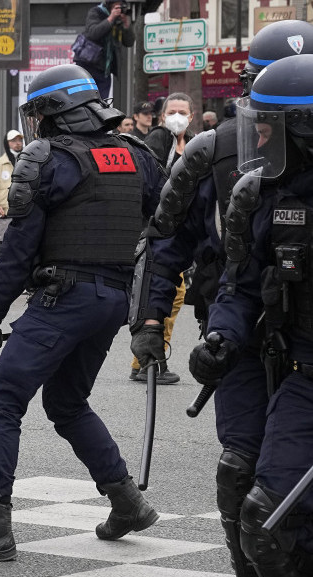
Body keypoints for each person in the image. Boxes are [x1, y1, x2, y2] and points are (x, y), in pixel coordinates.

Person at [0, 64, 163, 562]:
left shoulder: (48, 157)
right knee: (67, 402)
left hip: (64, 297)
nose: (36, 123)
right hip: (113, 298)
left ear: (55, 111)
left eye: (38, 112)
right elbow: (158, 234)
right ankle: (127, 501)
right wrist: (147, 313)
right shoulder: (137, 155)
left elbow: (17, 252)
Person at [129, 20, 313, 577]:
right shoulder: (222, 158)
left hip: (301, 348)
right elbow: (168, 242)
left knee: (281, 498)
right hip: (245, 336)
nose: (261, 135)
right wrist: (152, 322)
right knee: (242, 474)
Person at [189, 54, 313, 576]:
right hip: (303, 375)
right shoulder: (263, 196)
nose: (258, 140)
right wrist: (221, 336)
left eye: (268, 129)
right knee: (265, 518)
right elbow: (239, 285)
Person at [130, 92, 198, 384]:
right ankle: (146, 362)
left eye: (183, 111)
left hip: (180, 229)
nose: (177, 116)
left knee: (173, 295)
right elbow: (149, 180)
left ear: (192, 116)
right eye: (172, 111)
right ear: (162, 116)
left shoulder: (193, 142)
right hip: (159, 228)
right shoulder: (159, 138)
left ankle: (149, 360)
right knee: (163, 293)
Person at [79, 0, 135, 99]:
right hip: (88, 66)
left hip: (105, 69)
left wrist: (126, 26)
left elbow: (129, 42)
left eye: (121, 6)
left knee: (102, 101)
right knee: (85, 99)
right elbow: (93, 33)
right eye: (116, 6)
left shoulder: (119, 20)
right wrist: (111, 18)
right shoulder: (96, 12)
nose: (119, 9)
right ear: (109, 5)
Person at [0, 129, 23, 241]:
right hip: (5, 215)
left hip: (24, 214)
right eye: (14, 140)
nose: (18, 143)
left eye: (20, 140)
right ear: (7, 143)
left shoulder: (27, 162)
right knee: (4, 244)